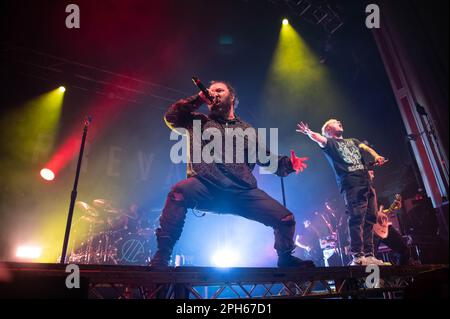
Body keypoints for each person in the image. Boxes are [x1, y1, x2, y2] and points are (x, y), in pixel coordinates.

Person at [149, 81, 314, 268]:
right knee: (179, 192)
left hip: (242, 192)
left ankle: (285, 259)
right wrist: (198, 99)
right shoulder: (197, 121)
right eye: (210, 92)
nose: (214, 94)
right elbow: (171, 117)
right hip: (206, 186)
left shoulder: (246, 129)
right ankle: (163, 256)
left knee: (286, 219)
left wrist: (289, 164)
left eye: (219, 90)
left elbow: (265, 157)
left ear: (232, 97)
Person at [296, 119, 387, 266]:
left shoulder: (353, 141)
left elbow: (366, 148)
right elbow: (319, 138)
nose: (339, 121)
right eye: (334, 122)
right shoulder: (331, 144)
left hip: (367, 182)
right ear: (328, 131)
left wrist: (376, 156)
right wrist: (308, 132)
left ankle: (370, 255)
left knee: (371, 217)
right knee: (357, 216)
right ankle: (358, 255)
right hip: (352, 183)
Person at [368, 171, 414, 266]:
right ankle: (375, 280)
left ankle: (399, 278)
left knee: (404, 250)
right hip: (370, 229)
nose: (372, 173)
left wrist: (394, 207)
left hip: (383, 228)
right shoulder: (358, 192)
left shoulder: (374, 192)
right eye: (369, 172)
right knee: (371, 259)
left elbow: (379, 213)